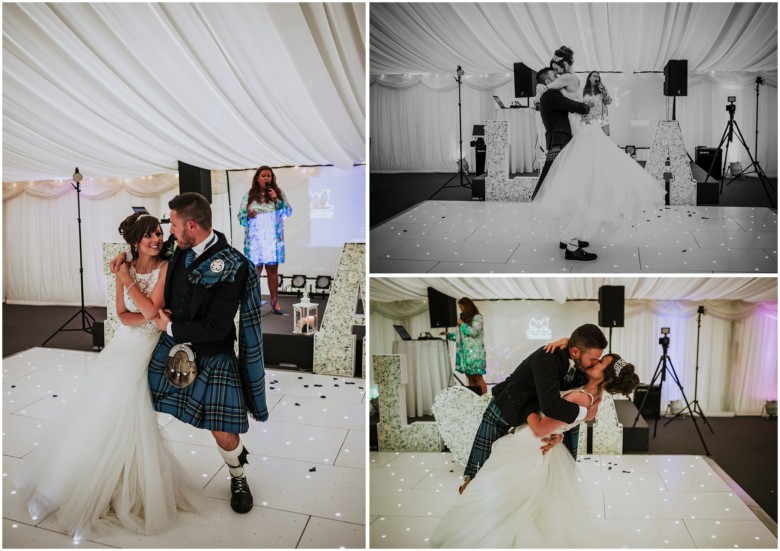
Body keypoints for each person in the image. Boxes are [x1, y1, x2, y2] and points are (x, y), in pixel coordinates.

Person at [15, 212, 203, 539]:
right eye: (149, 236)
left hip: (146, 346)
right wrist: (138, 301)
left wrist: (132, 287)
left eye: (158, 233)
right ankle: (89, 476)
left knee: (124, 406)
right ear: (134, 242)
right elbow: (122, 314)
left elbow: (147, 312)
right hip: (122, 344)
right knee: (100, 406)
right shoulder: (122, 267)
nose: (157, 239)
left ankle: (127, 479)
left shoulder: (164, 267)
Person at [430, 354, 640, 548]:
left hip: (529, 443)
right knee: (522, 499)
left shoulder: (581, 397)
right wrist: (560, 433)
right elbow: (564, 422)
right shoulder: (593, 397)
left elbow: (540, 428)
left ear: (607, 378)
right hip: (541, 445)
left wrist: (524, 402)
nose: (595, 361)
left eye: (601, 362)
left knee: (500, 494)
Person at [143, 192, 268, 514]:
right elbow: (149, 260)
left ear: (192, 225)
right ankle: (135, 472)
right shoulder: (178, 247)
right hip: (168, 347)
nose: (168, 230)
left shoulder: (233, 265)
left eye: (173, 224)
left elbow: (215, 327)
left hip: (213, 353)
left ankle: (238, 475)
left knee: (224, 431)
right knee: (135, 404)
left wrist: (167, 327)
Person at [533, 46, 666, 260]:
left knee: (584, 184)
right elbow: (557, 93)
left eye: (556, 68)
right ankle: (571, 240)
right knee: (582, 185)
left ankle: (571, 238)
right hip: (579, 133)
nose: (556, 72)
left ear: (564, 64)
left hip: (583, 133)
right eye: (553, 70)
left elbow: (548, 89)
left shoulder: (567, 77)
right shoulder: (564, 81)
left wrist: (540, 89)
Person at [458, 323, 607, 494]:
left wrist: (561, 432)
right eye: (593, 360)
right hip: (509, 405)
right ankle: (468, 495)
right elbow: (551, 406)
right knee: (479, 469)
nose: (593, 364)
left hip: (536, 414)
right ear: (574, 351)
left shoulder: (581, 366)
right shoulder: (548, 357)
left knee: (547, 474)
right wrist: (585, 414)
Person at [238, 166, 292, 315]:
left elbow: (288, 212)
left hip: (272, 242)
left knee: (272, 271)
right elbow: (240, 217)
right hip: (256, 242)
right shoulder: (249, 196)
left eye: (269, 176)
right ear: (257, 178)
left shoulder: (278, 194)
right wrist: (247, 216)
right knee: (255, 272)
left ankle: (275, 302)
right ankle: (254, 303)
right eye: (263, 176)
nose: (267, 178)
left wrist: (276, 200)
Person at [445, 298, 487, 396]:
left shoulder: (477, 317)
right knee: (469, 378)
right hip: (464, 356)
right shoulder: (465, 320)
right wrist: (449, 335)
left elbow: (474, 332)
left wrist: (462, 325)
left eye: (462, 307)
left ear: (468, 307)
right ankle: (474, 399)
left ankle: (485, 400)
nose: (461, 310)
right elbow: (461, 337)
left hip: (475, 355)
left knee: (477, 377)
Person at [583, 71, 612, 136]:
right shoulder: (583, 90)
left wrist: (603, 92)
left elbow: (609, 102)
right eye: (594, 76)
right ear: (589, 78)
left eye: (598, 77)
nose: (596, 78)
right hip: (588, 119)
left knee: (601, 138)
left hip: (601, 119)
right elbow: (580, 104)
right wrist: (587, 104)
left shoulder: (603, 89)